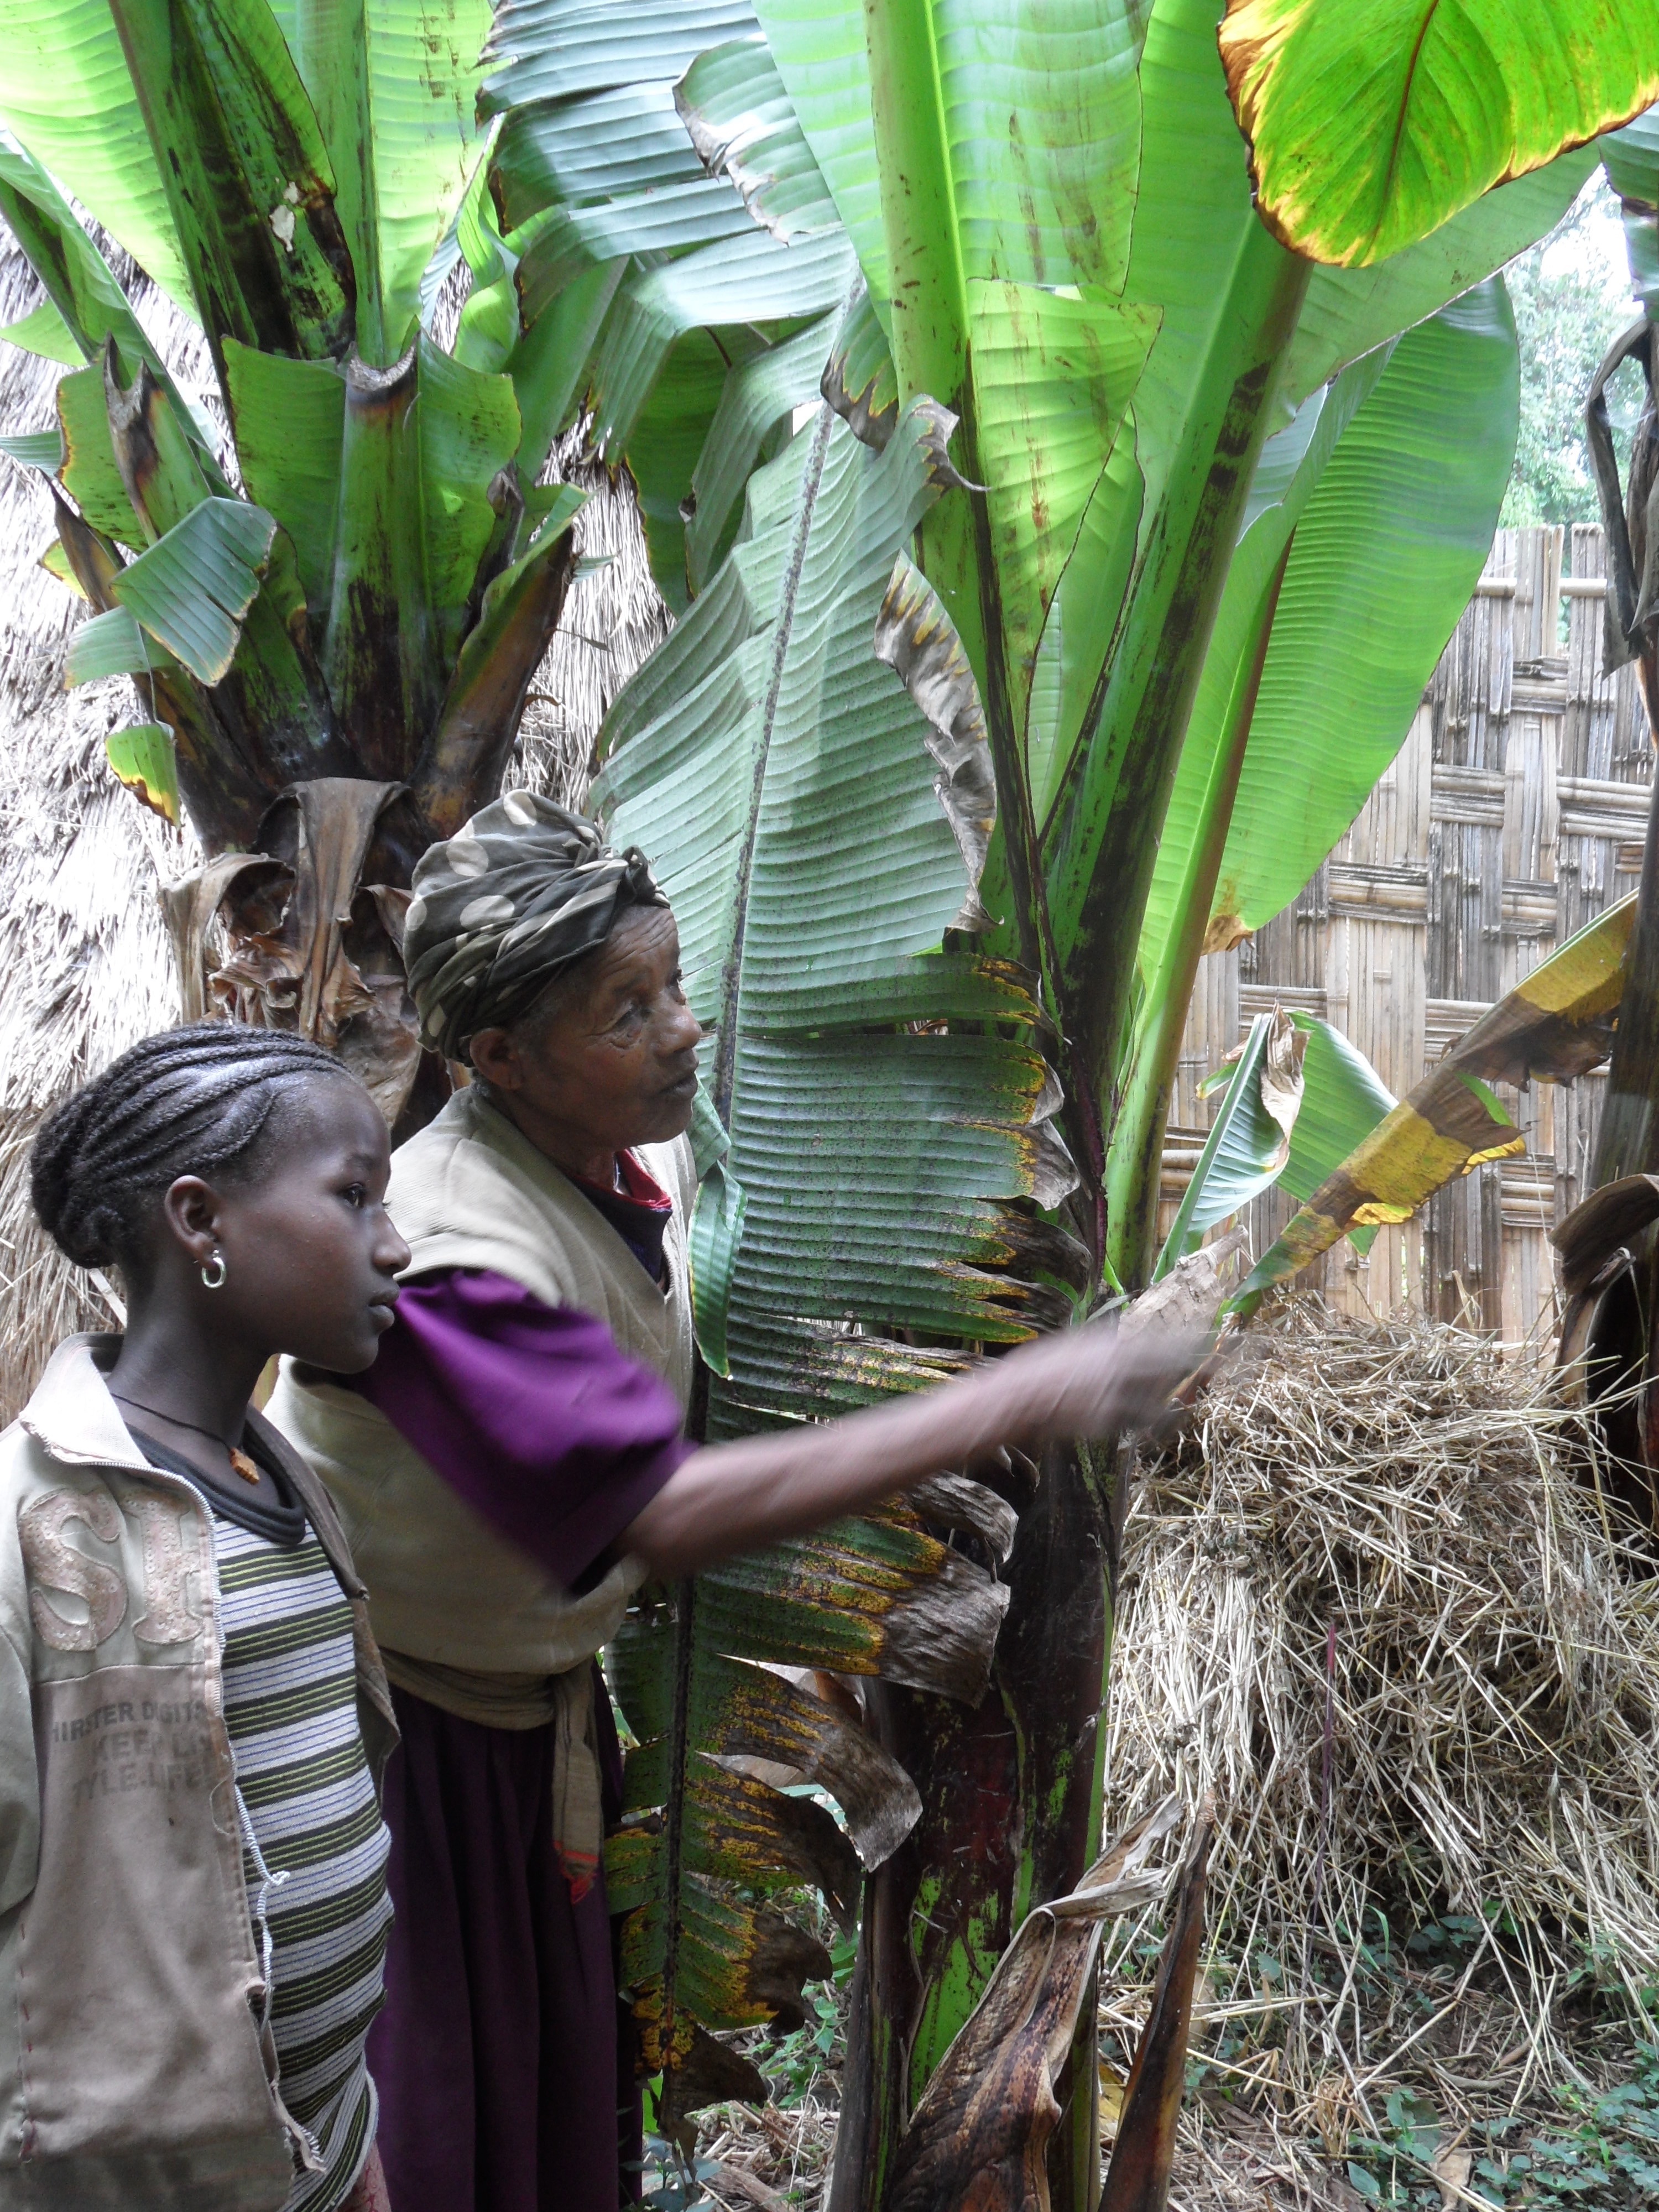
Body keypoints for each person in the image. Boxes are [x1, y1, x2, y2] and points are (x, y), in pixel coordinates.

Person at [267, 795, 1195, 2212]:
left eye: (677, 982)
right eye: (626, 1009)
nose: (686, 1027)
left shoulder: (610, 1161)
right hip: (404, 1759)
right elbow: (665, 1511)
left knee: (546, 2118)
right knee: (439, 2129)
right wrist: (1033, 1393)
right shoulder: (452, 1260)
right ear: (500, 1056)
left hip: (528, 1731)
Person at [9, 1023, 410, 2211]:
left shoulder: (285, 1485)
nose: (395, 1244)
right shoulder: (33, 1525)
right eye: (353, 1196)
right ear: (201, 1220)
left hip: (321, 2145)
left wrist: (353, 2132)